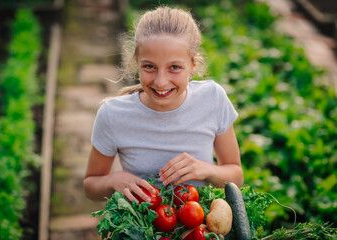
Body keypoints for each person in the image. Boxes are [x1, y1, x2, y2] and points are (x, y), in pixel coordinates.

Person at [84, 6, 243, 204]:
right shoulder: (112, 115)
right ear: (136, 63)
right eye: (149, 67)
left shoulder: (212, 99)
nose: (161, 82)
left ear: (193, 65)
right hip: (140, 228)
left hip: (197, 227)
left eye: (174, 67)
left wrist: (206, 169)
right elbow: (91, 187)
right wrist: (112, 181)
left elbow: (236, 175)